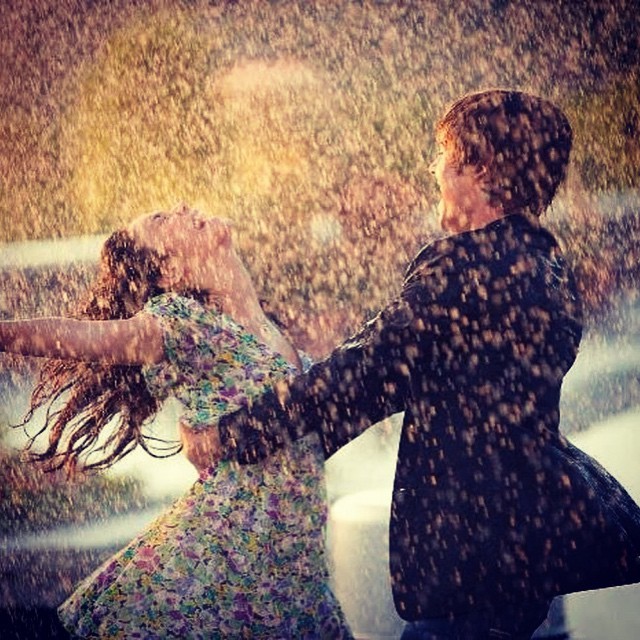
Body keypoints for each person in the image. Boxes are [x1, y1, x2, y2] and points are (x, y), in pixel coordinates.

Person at [211, 90, 640, 639]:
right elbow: (400, 376)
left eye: (442, 156)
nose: (434, 171)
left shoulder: (463, 266)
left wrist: (237, 434)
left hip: (466, 553)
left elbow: (364, 373)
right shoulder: (546, 266)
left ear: (480, 167)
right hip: (524, 550)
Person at [0, 204, 352, 639]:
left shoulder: (270, 326)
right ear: (167, 271)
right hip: (224, 564)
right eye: (161, 221)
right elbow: (89, 338)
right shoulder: (185, 323)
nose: (183, 208)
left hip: (295, 569)